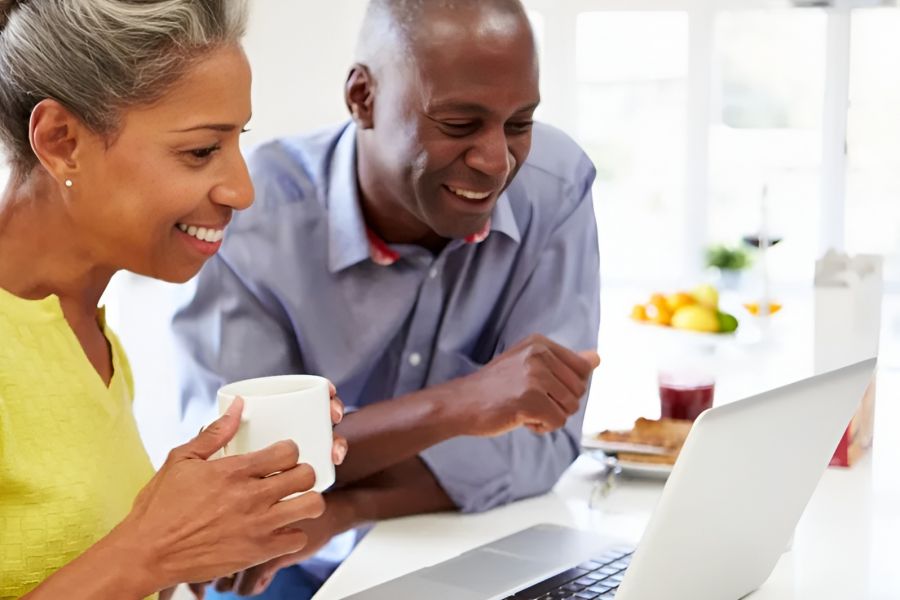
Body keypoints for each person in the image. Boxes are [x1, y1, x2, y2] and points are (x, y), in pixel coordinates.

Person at [173, 0, 601, 597]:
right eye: (457, 125)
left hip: (466, 549)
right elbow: (246, 476)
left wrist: (344, 508)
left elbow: (543, 445)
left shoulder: (554, 189)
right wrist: (463, 406)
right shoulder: (256, 214)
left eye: (520, 123)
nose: (496, 160)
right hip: (282, 563)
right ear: (362, 97)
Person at [0, 1, 347, 599]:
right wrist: (151, 550)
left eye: (239, 141)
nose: (243, 191)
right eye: (200, 151)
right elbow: (131, 556)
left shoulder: (85, 330)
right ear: (62, 142)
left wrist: (209, 535)